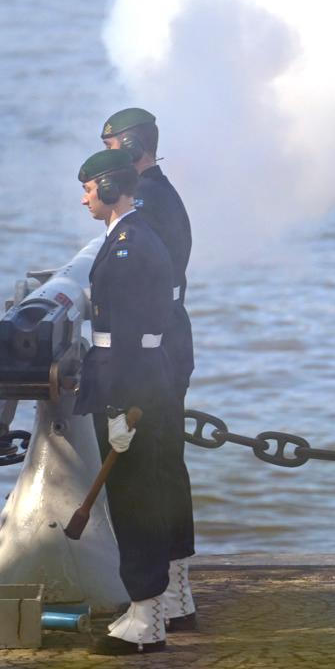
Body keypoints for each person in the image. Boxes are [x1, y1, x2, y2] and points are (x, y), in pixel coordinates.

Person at [75, 147, 180, 655]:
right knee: (139, 497)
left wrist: (121, 409)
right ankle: (147, 611)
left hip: (130, 386)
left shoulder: (129, 246)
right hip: (134, 381)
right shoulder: (129, 237)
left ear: (113, 189)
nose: (85, 199)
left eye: (90, 189)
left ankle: (146, 618)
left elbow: (135, 338)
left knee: (136, 499)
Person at [101, 108, 198, 631]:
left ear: (131, 146)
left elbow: (141, 287)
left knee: (150, 469)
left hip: (151, 346)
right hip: (170, 338)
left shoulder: (144, 203)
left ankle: (158, 595)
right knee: (166, 464)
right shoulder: (162, 194)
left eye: (111, 145)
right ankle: (176, 588)